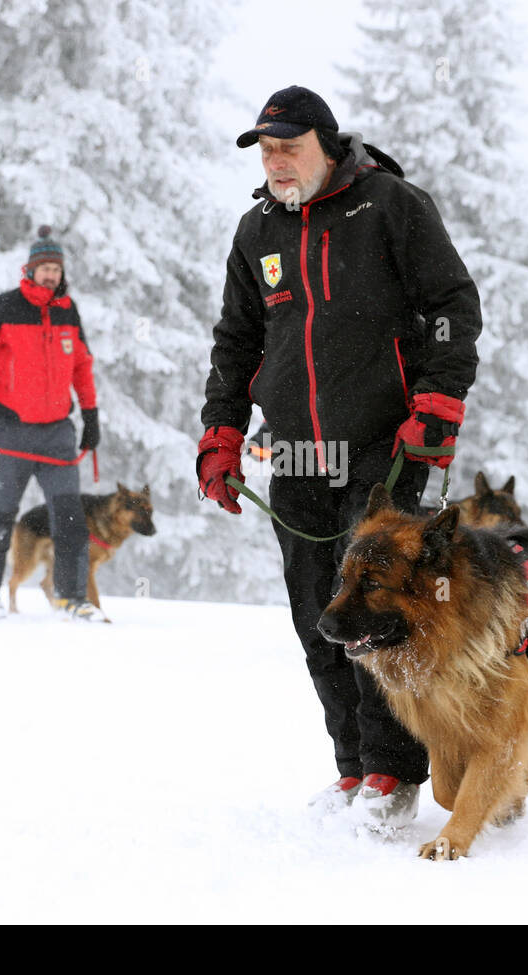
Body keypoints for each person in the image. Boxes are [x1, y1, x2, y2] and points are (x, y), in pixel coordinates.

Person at [197, 86, 481, 826]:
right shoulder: (256, 228)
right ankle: (353, 767)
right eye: (266, 150)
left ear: (326, 144)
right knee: (317, 613)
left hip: (383, 449)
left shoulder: (389, 205)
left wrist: (439, 401)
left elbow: (453, 304)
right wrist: (221, 435)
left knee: (380, 611)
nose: (275, 162)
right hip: (292, 451)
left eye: (288, 147)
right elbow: (236, 342)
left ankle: (394, 772)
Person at [0, 226, 103, 621]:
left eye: (55, 269)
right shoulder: (5, 307)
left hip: (57, 434)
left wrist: (90, 414)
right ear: (29, 270)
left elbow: (81, 364)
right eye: (43, 268)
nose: (50, 275)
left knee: (69, 517)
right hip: (7, 431)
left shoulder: (68, 310)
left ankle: (71, 597)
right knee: (0, 514)